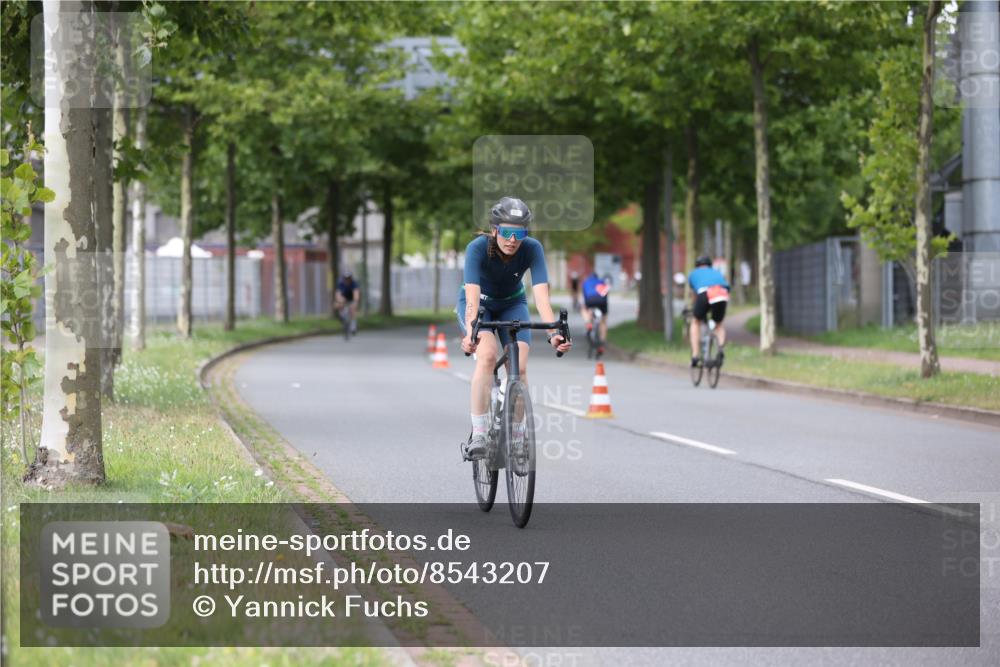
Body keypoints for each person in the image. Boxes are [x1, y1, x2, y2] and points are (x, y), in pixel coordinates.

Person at [457, 196, 572, 459]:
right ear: (495, 229)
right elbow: (472, 298)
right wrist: (471, 332)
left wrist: (553, 334)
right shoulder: (477, 248)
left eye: (520, 233)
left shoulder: (532, 248)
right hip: (480, 305)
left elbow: (542, 297)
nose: (513, 240)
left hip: (512, 303)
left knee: (518, 367)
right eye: (507, 232)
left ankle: (518, 438)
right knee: (486, 356)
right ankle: (479, 434)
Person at [687, 255, 730, 366]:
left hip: (705, 293)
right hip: (721, 293)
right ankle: (720, 349)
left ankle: (695, 355)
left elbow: (695, 294)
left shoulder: (693, 274)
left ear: (697, 265)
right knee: (719, 324)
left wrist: (695, 307)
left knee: (695, 321)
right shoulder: (717, 272)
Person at [580, 271, 610, 354]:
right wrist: (605, 311)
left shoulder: (586, 282)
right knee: (603, 322)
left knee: (584, 309)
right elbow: (606, 295)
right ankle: (602, 343)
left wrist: (587, 307)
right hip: (602, 302)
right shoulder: (601, 282)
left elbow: (585, 296)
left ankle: (588, 323)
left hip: (590, 301)